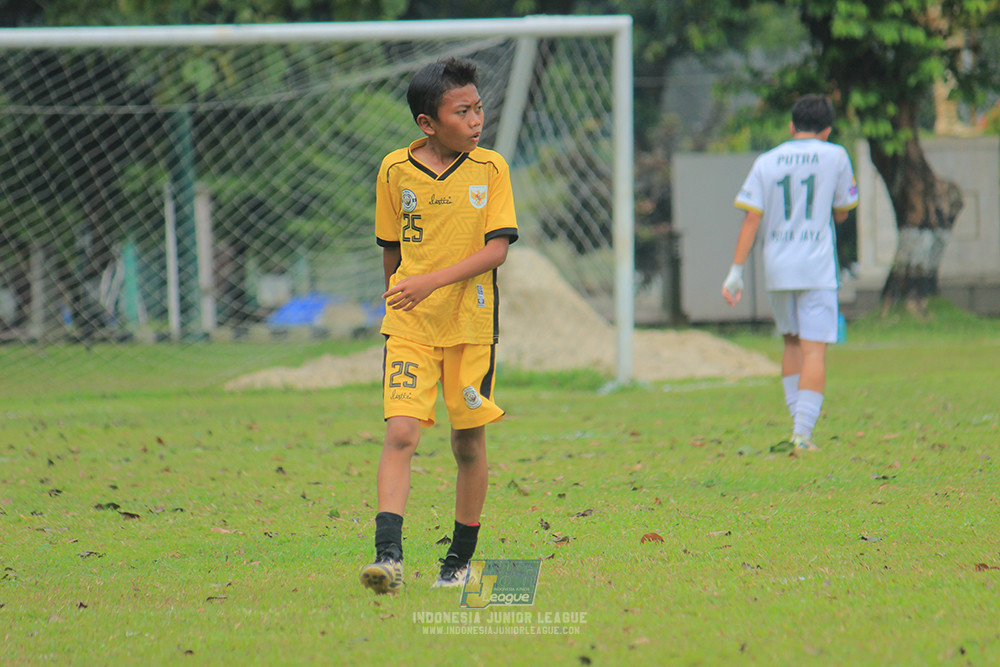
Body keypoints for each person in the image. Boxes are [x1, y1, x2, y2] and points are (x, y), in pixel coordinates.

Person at [359, 57, 518, 594]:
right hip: (411, 327)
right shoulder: (393, 171)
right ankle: (389, 558)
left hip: (471, 327)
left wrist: (432, 280)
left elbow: (496, 250)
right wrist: (401, 296)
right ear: (428, 123)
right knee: (401, 432)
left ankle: (458, 562)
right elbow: (392, 252)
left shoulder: (491, 169)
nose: (476, 120)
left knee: (468, 445)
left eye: (479, 109)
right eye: (463, 112)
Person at [721, 94, 859, 452]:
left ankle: (796, 426)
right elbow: (843, 210)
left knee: (791, 342)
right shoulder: (836, 155)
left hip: (778, 265)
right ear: (827, 130)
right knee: (814, 350)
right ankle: (802, 433)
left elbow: (752, 216)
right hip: (815, 266)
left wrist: (735, 271)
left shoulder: (768, 160)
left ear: (791, 126)